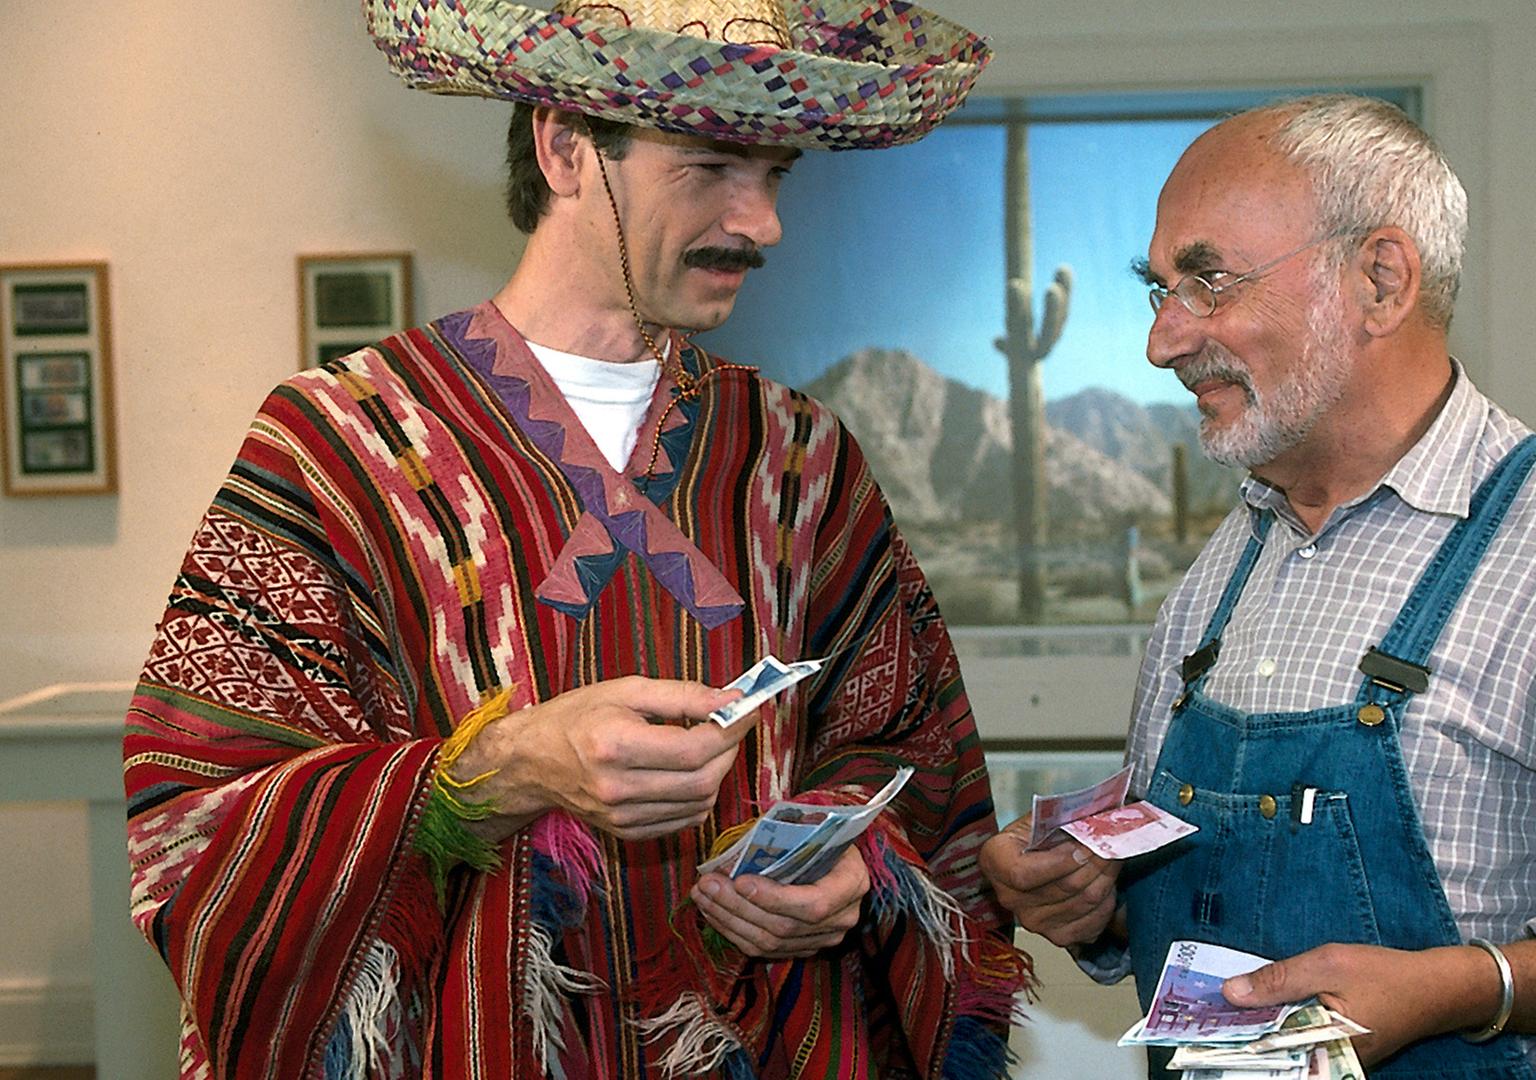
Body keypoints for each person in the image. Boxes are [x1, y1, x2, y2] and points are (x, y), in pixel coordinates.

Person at [121, 2, 1024, 1077]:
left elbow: (908, 749)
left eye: (775, 175)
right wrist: (499, 769)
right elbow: (195, 816)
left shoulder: (798, 457)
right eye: (711, 167)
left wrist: (845, 863)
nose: (762, 223)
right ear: (564, 150)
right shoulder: (336, 447)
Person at [979, 94, 1536, 1079]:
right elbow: (1188, 895)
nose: (1163, 340)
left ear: (1380, 281)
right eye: (1159, 290)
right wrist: (1091, 900)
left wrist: (1465, 988)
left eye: (1208, 281)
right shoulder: (1221, 573)